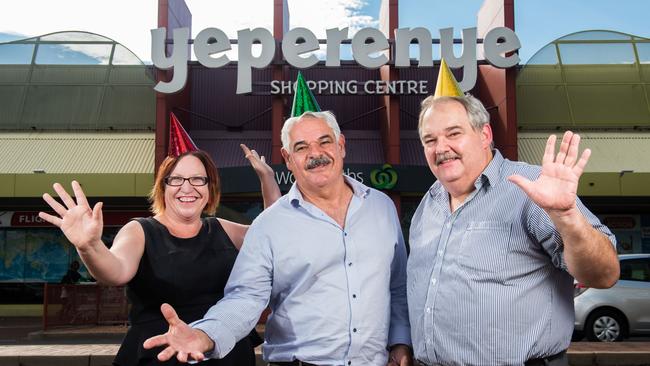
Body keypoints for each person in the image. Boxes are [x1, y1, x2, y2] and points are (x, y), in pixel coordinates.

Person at [142, 111, 413, 366]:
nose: (315, 154)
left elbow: (397, 286)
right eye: (301, 147)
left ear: (341, 145)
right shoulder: (269, 225)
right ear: (287, 158)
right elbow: (245, 298)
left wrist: (401, 342)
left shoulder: (382, 207)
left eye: (324, 141)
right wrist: (205, 335)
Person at [408, 93, 620, 366]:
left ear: (484, 134)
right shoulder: (429, 204)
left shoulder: (532, 188)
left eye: (453, 133)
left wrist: (567, 216)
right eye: (430, 140)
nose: (441, 148)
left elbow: (605, 274)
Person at [39, 142, 281, 366]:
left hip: (225, 353)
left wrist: (267, 178)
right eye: (176, 179)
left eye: (198, 179)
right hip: (159, 355)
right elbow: (115, 272)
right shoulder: (140, 230)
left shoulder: (224, 229)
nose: (187, 187)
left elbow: (273, 235)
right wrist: (89, 246)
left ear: (210, 188)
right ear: (162, 187)